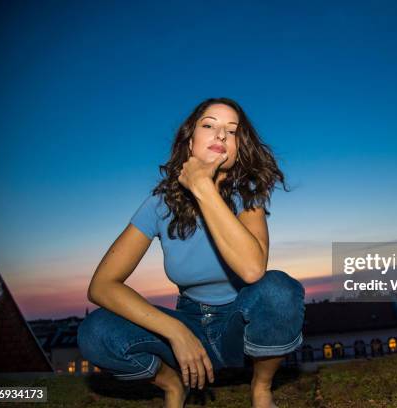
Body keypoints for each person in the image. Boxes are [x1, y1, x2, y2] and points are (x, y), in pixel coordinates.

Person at [77, 97, 306, 408]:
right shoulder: (159, 206)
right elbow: (102, 286)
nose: (221, 135)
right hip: (188, 323)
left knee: (279, 289)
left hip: (238, 325)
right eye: (209, 125)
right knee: (95, 331)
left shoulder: (247, 197)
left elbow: (252, 270)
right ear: (190, 140)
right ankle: (173, 387)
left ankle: (261, 387)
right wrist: (176, 332)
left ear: (239, 148)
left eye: (232, 131)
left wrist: (202, 186)